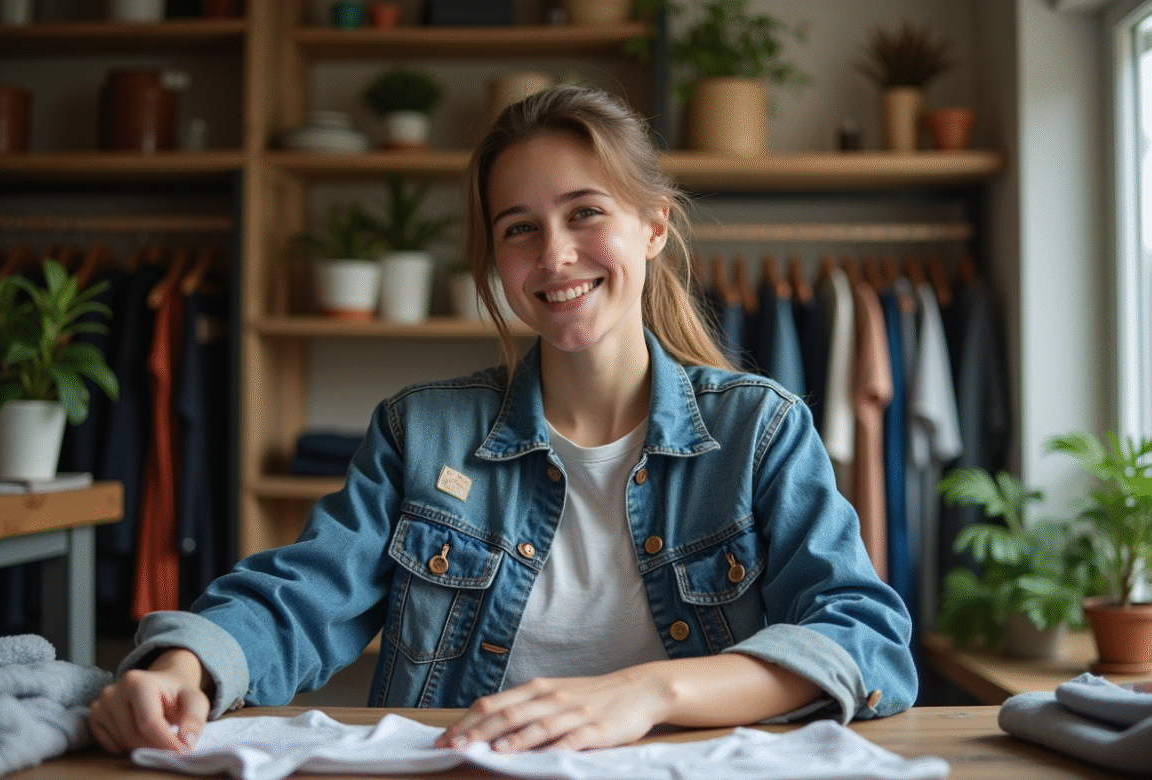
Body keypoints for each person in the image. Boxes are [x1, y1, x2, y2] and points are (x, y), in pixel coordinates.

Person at [89, 84, 916, 756]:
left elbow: (866, 640)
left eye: (585, 212)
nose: (554, 254)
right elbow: (303, 596)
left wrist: (651, 690)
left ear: (654, 225)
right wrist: (184, 664)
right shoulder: (419, 434)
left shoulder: (761, 432)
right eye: (520, 229)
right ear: (496, 261)